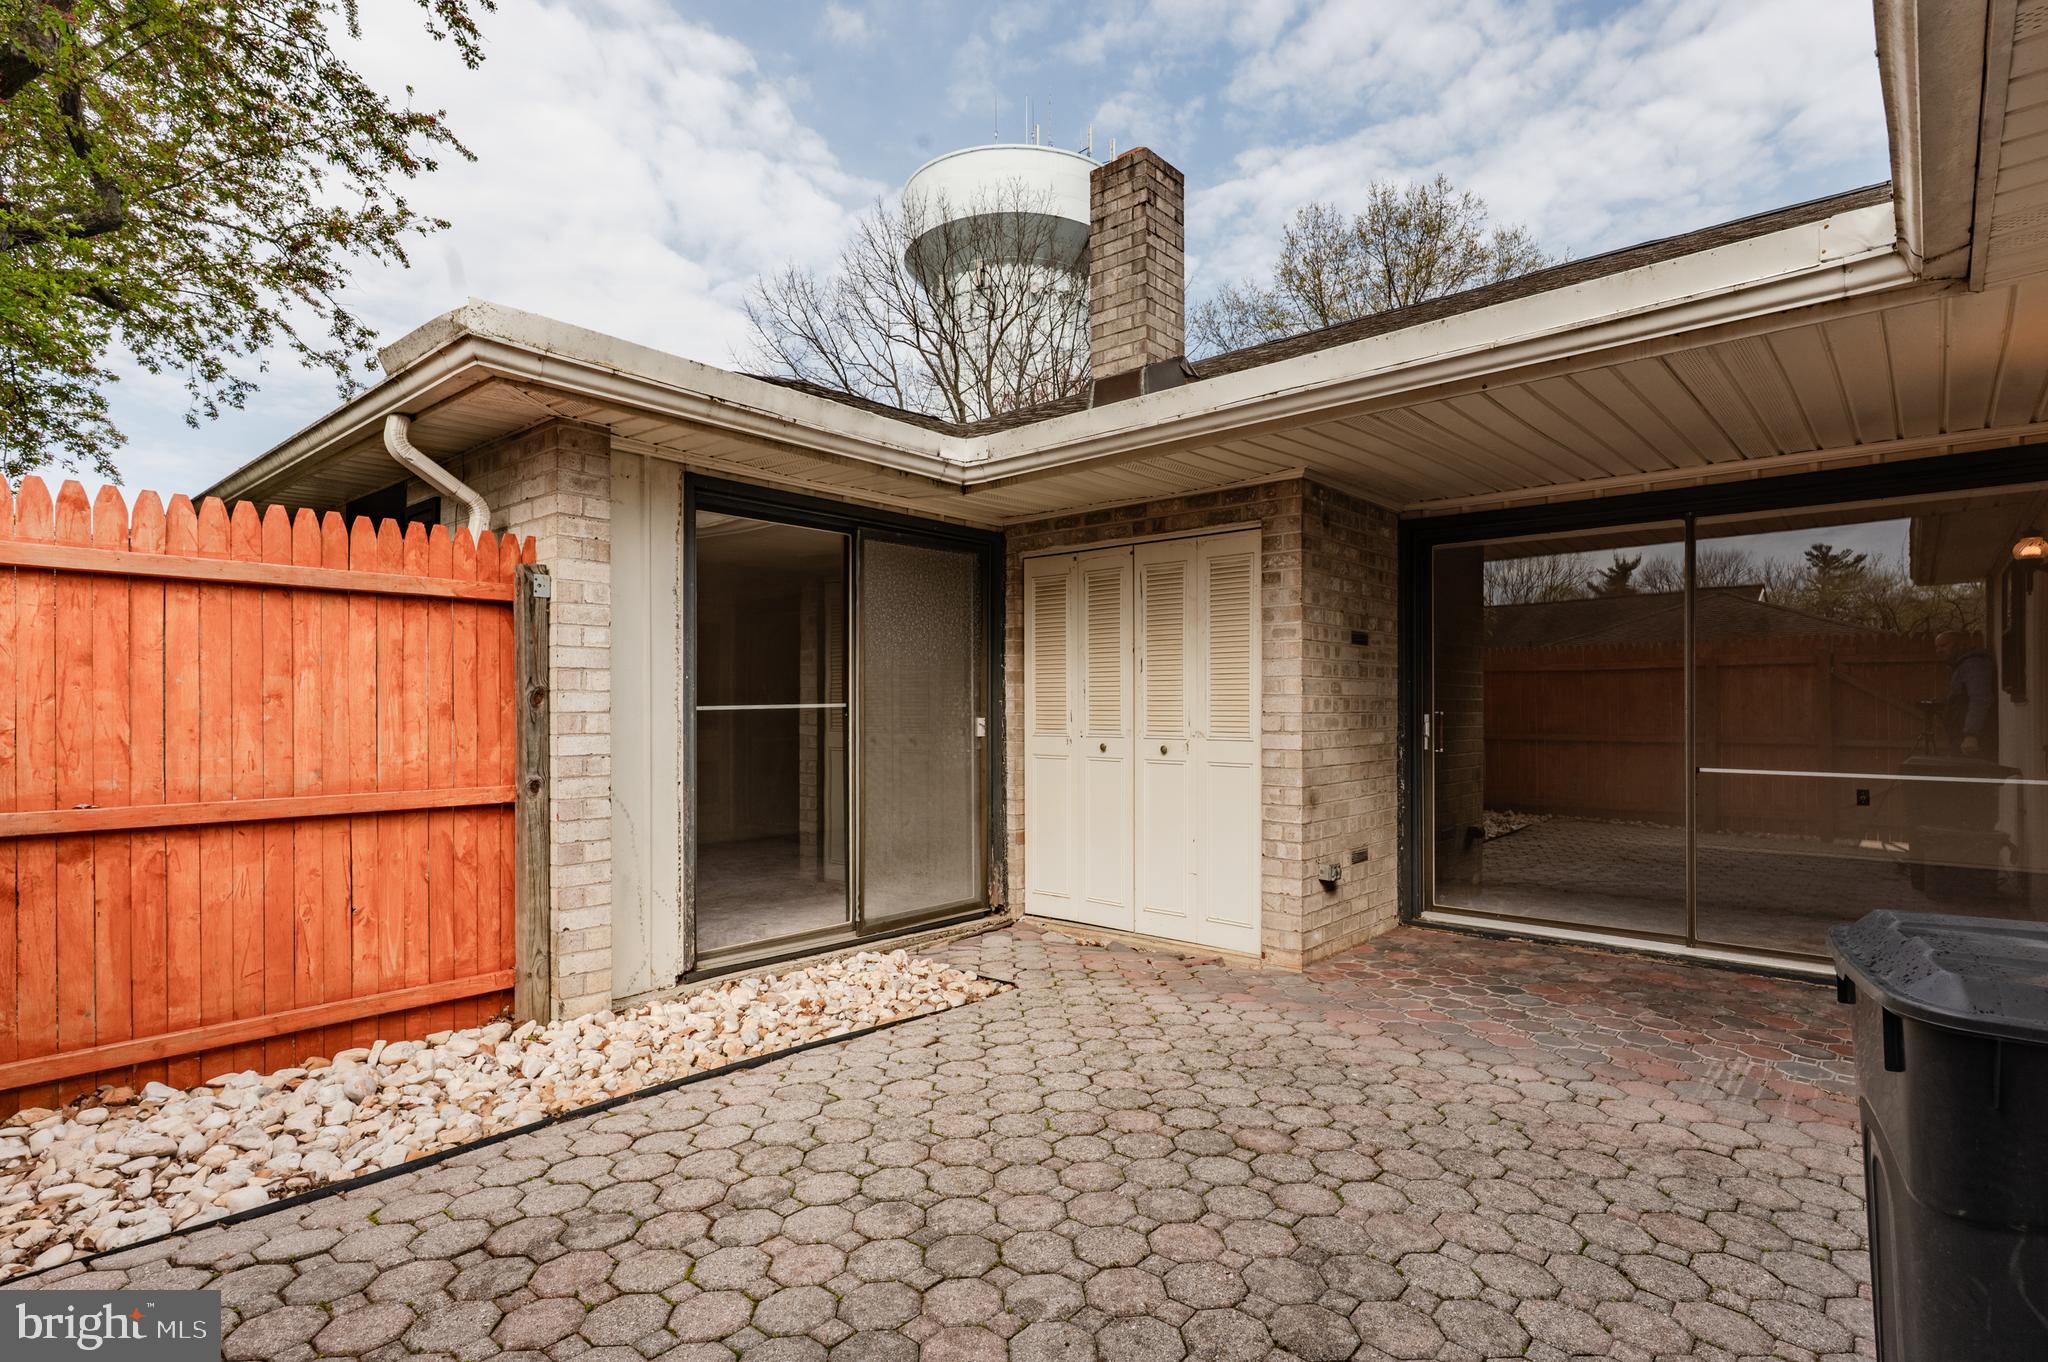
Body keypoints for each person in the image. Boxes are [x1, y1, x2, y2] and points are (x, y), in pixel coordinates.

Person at [1934, 630, 1998, 759]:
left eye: (1944, 645)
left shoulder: (1974, 664)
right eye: (1937, 647)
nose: (1939, 650)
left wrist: (1971, 735)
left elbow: (1980, 698)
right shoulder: (1961, 666)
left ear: (1959, 644)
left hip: (1974, 740)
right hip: (1961, 737)